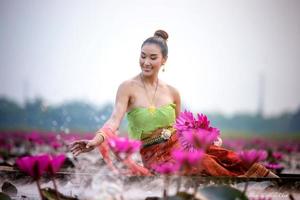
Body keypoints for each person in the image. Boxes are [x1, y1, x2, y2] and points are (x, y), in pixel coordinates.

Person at [70, 30, 278, 178]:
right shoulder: (127, 87)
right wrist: (96, 140)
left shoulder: (173, 92)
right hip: (153, 155)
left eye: (153, 58)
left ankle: (266, 183)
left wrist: (207, 139)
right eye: (142, 57)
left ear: (164, 61)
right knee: (203, 162)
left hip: (178, 146)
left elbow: (182, 129)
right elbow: (114, 120)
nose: (146, 62)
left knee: (225, 157)